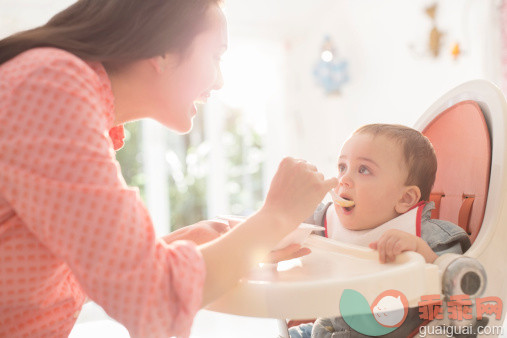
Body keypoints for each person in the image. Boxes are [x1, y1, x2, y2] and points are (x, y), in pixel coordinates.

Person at [0, 1, 338, 337]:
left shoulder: (60, 92)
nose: (219, 82)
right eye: (216, 56)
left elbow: (78, 277)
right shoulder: (51, 86)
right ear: (162, 48)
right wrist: (275, 215)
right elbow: (152, 299)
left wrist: (174, 248)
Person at [289, 124, 471, 338]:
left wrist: (422, 254)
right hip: (326, 330)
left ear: (405, 199)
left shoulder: (430, 238)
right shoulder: (325, 218)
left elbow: (461, 289)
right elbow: (286, 226)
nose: (343, 180)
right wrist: (294, 203)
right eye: (342, 167)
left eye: (363, 169)